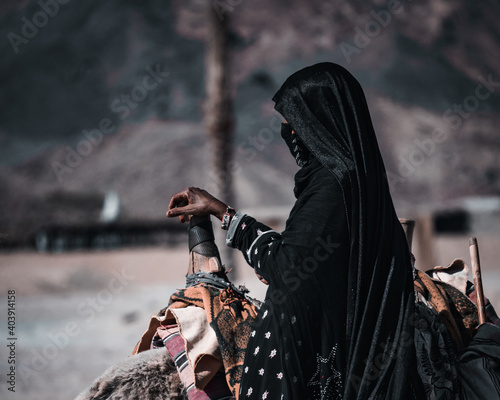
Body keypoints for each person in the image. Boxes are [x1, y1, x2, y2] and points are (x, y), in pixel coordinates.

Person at [167, 62, 421, 400]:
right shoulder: (357, 182)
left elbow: (288, 268)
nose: (288, 133)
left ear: (317, 125)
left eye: (293, 124)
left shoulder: (333, 187)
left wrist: (220, 211)